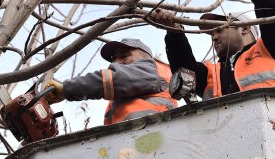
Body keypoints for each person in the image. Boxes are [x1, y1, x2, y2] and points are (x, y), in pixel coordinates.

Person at [45, 38, 178, 125]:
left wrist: (65, 90)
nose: (117, 62)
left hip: (154, 140)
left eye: (124, 55)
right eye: (114, 59)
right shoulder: (123, 96)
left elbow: (114, 79)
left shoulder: (149, 70)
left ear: (146, 57)